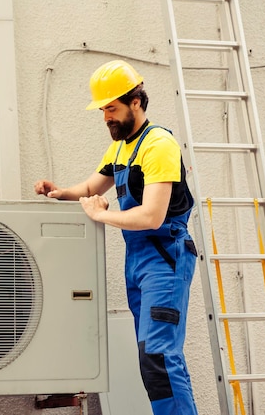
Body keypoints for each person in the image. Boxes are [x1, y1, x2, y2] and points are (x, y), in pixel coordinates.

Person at [34, 60, 198, 415]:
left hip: (166, 258)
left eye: (111, 107)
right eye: (102, 109)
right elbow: (91, 187)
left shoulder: (159, 144)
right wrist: (59, 192)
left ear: (135, 102)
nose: (106, 116)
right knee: (151, 359)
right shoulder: (121, 147)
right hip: (139, 261)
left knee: (160, 356)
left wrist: (101, 214)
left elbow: (152, 215)